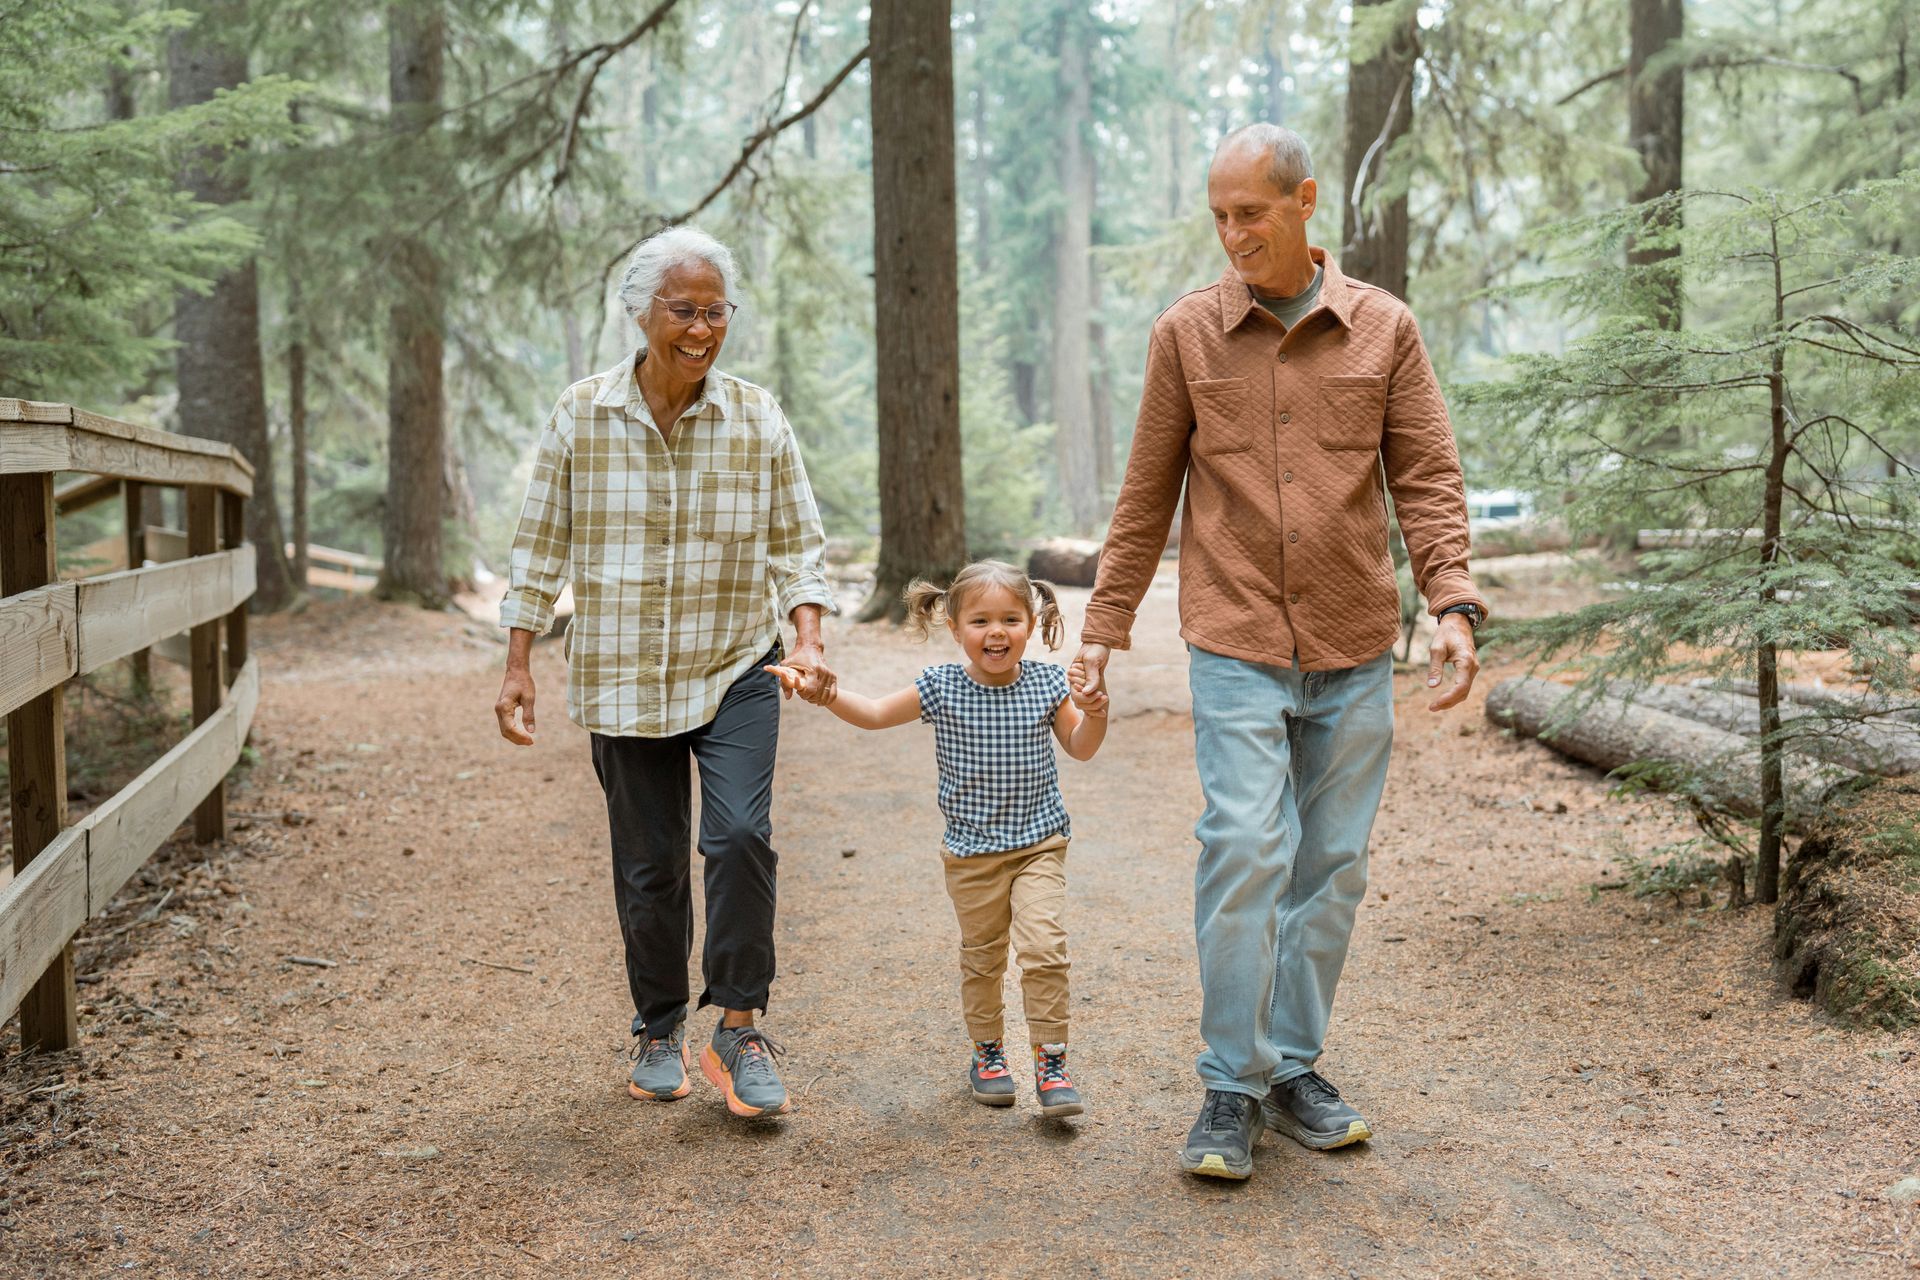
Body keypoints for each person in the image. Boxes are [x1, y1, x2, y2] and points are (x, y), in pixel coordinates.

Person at [1073, 124, 1489, 1179]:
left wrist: (1451, 601)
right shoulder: (1187, 336)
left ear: (1305, 202)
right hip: (1237, 635)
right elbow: (1145, 497)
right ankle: (1228, 1082)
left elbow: (1428, 477)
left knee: (1331, 864)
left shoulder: (1384, 329)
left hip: (1353, 637)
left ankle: (1292, 1065)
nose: (1232, 235)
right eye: (1217, 216)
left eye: (1249, 213)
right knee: (1246, 845)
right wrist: (1102, 631)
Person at [493, 225, 837, 1120]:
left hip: (736, 665)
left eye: (716, 310)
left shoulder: (756, 414)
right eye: (683, 310)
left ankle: (740, 1024)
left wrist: (808, 640)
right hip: (624, 677)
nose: (701, 328)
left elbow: (798, 543)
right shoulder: (583, 412)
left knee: (737, 837)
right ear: (640, 312)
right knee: (649, 868)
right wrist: (518, 661)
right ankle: (656, 1026)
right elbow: (539, 548)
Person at [767, 561, 1108, 1116]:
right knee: (984, 956)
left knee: (1045, 950)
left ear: (1030, 622)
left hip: (1038, 845)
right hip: (972, 856)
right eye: (980, 621)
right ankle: (989, 1053)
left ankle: (1051, 1060)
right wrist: (824, 694)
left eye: (1010, 619)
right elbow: (876, 714)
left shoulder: (1047, 683)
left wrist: (1097, 713)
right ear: (955, 628)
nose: (996, 631)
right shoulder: (942, 686)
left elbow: (1082, 745)